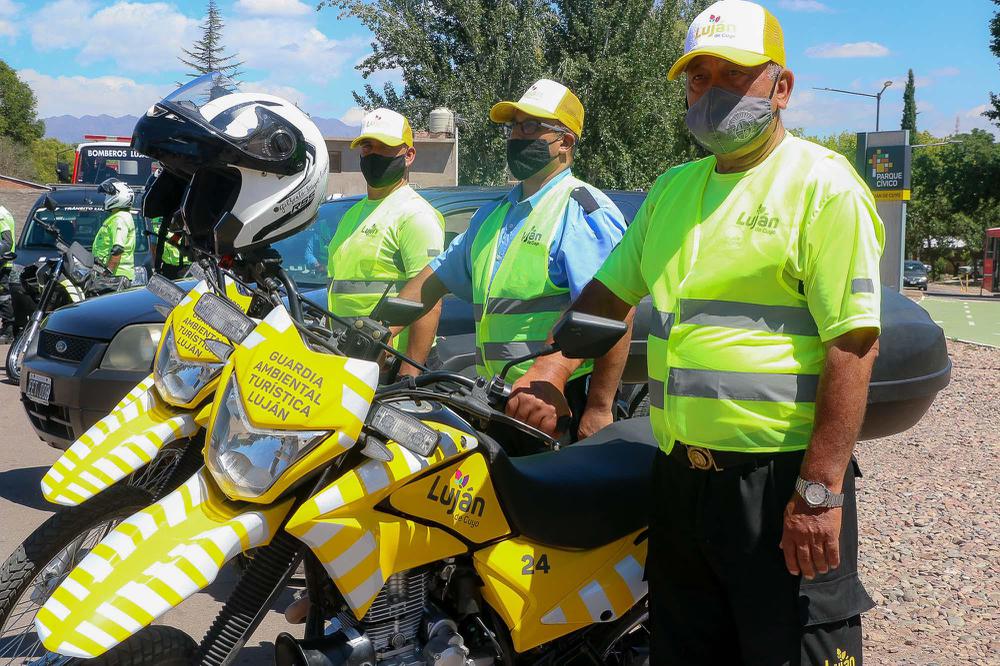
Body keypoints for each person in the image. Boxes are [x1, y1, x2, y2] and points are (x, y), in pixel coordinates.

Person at [511, 2, 885, 663]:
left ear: (781, 88)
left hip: (778, 487)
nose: (710, 92)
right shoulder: (673, 190)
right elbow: (609, 294)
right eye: (697, 76)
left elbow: (852, 345)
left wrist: (819, 492)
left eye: (732, 76)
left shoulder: (823, 188)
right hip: (682, 482)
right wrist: (553, 367)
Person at [397, 79, 628, 440]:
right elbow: (433, 280)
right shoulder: (492, 216)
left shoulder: (582, 211)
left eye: (532, 127)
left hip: (555, 405)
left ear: (565, 142)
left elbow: (615, 308)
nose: (517, 136)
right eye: (514, 126)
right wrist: (377, 326)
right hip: (494, 398)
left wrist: (599, 408)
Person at [326, 109, 445, 377]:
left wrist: (409, 374)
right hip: (352, 358)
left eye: (385, 147)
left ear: (408, 155)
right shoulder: (351, 215)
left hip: (395, 364)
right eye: (368, 147)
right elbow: (336, 291)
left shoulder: (416, 215)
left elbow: (430, 299)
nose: (374, 154)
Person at [92, 179, 136, 286]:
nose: (106, 198)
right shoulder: (120, 216)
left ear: (118, 197)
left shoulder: (119, 218)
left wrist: (108, 272)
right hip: (118, 274)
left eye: (107, 195)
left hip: (116, 276)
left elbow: (118, 249)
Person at [0, 204, 15, 340]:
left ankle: (8, 331)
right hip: (4, 260)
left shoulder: (0, 214)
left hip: (3, 262)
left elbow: (7, 241)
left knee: (4, 297)